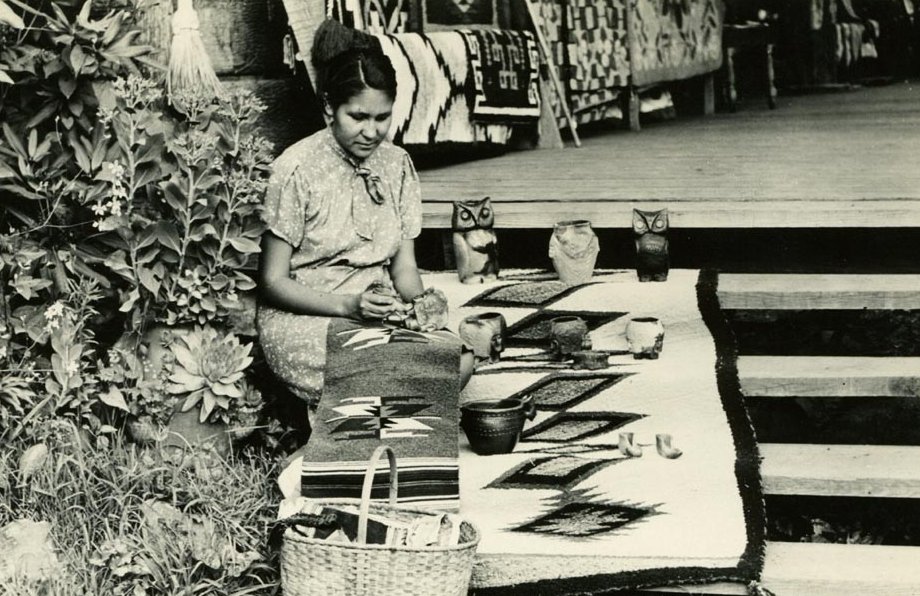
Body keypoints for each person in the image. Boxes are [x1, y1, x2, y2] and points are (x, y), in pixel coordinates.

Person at [257, 19, 474, 420]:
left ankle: (361, 421)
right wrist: (347, 306)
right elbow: (272, 281)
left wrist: (423, 311)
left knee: (458, 358)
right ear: (328, 108)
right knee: (392, 367)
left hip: (377, 316)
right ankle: (378, 423)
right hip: (308, 320)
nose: (371, 132)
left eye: (382, 118)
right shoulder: (296, 169)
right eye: (358, 117)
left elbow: (404, 268)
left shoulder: (397, 164)